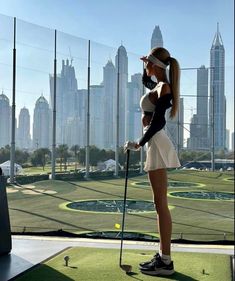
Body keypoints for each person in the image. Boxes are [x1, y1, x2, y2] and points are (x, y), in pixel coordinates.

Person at [124, 47, 181, 276]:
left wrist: (138, 142)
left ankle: (165, 261)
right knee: (159, 203)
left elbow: (157, 123)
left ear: (155, 64)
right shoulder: (157, 86)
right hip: (154, 142)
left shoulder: (164, 88)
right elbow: (147, 83)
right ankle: (163, 257)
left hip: (155, 142)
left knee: (160, 204)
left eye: (148, 61)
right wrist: (144, 65)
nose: (145, 64)